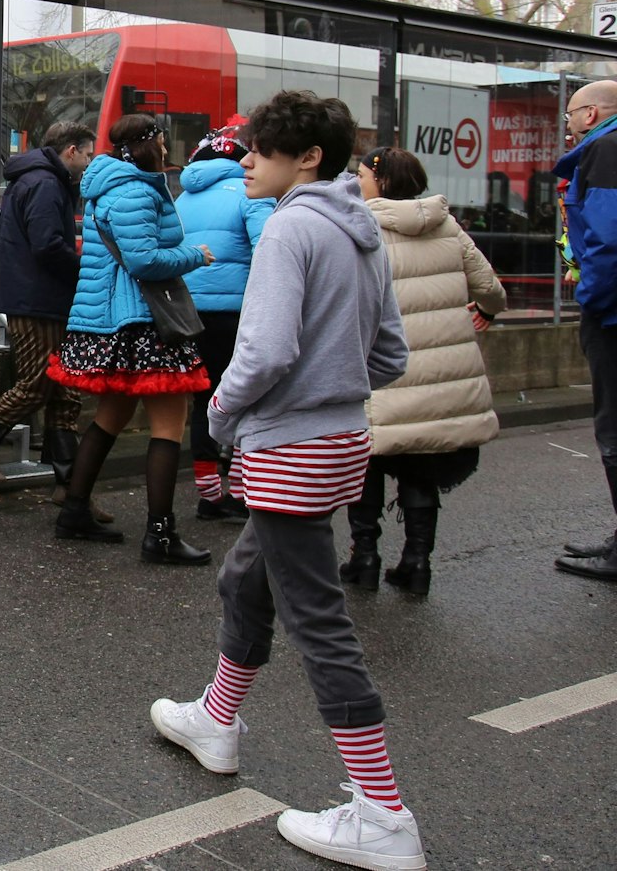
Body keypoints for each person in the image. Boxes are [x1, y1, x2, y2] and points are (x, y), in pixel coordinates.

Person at [148, 90, 424, 871]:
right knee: (247, 578)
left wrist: (226, 416)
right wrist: (333, 388)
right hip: (338, 439)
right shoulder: (358, 228)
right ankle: (217, 716)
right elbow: (390, 354)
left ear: (307, 158)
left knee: (319, 623)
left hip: (287, 445)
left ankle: (382, 812)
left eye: (262, 150)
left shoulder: (290, 230)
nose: (245, 160)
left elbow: (262, 352)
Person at [47, 113, 215, 562]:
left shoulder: (111, 185)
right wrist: (193, 255)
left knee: (110, 416)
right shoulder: (135, 190)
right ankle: (160, 536)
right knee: (167, 425)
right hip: (142, 321)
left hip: (114, 321)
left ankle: (75, 512)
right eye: (161, 141)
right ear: (145, 145)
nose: (165, 149)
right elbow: (142, 261)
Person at [339, 147, 506, 596]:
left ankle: (365, 557)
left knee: (368, 464)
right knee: (419, 470)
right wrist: (486, 312)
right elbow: (491, 289)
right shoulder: (446, 225)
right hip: (436, 376)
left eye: (362, 175)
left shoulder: (358, 224)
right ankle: (417, 563)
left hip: (379, 371)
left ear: (384, 182)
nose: (356, 182)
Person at [0, 122, 96, 508]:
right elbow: (48, 246)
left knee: (64, 389)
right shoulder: (47, 184)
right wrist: (86, 269)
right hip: (36, 299)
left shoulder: (39, 179)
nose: (88, 161)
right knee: (37, 384)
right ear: (70, 151)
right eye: (87, 153)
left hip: (39, 297)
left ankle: (68, 485)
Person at [175, 124, 274, 522]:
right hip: (237, 314)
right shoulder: (250, 194)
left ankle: (208, 494)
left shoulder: (183, 197)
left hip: (188, 312)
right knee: (243, 400)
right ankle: (239, 490)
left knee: (204, 399)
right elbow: (271, 249)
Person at [555, 79, 617, 580]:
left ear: (592, 114)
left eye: (571, 114)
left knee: (613, 430)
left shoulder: (607, 151)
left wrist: (590, 300)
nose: (568, 124)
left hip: (613, 316)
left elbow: (607, 241)